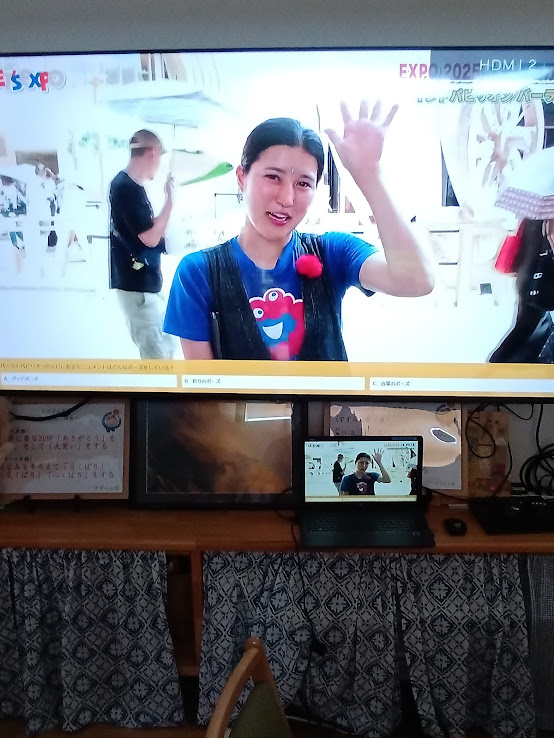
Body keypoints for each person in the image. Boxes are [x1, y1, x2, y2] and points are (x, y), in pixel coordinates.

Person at [163, 102, 435, 360]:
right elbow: (204, 386)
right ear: (241, 177)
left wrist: (370, 176)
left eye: (303, 183)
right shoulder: (198, 273)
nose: (287, 199)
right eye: (273, 177)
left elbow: (416, 281)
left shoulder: (334, 252)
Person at [109, 129, 175, 360]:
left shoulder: (130, 186)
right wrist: (170, 201)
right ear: (152, 153)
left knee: (166, 349)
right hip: (138, 290)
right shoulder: (126, 188)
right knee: (157, 358)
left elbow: (147, 230)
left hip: (145, 287)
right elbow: (150, 237)